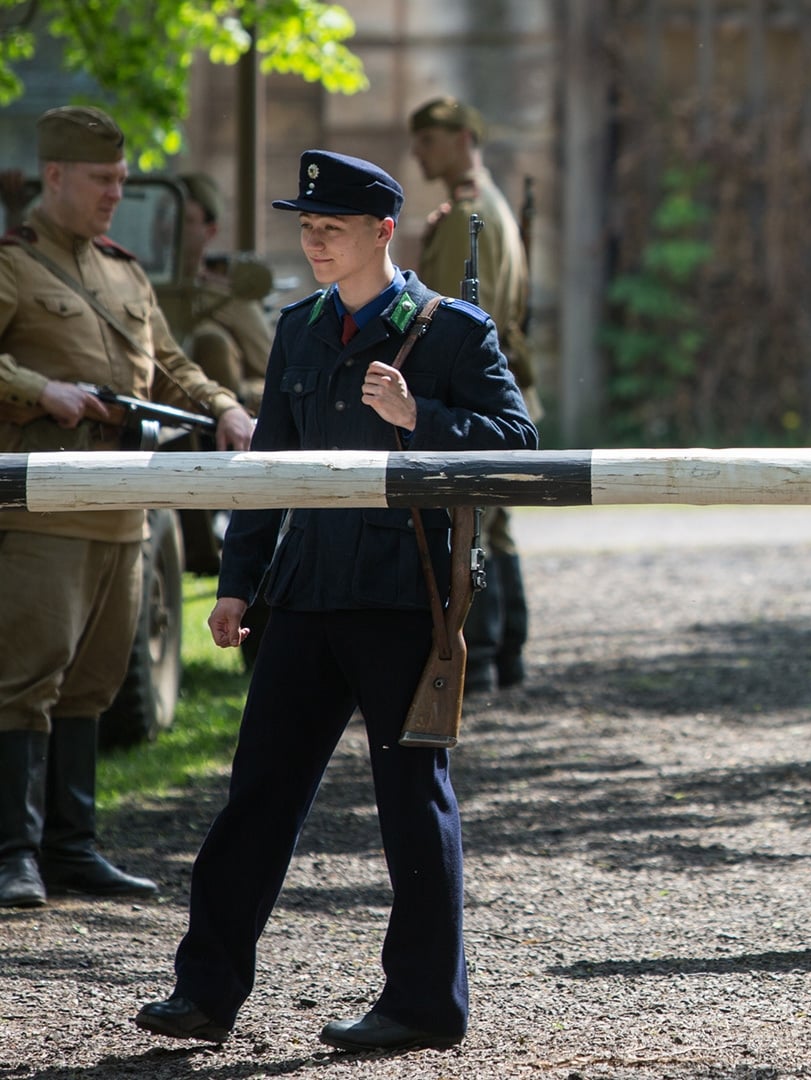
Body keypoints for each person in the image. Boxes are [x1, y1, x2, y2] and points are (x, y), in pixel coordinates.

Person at [134, 150, 536, 1051]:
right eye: (308, 228)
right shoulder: (300, 329)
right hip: (306, 595)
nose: (314, 243)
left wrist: (421, 419)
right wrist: (238, 581)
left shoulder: (453, 331)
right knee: (257, 796)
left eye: (333, 229)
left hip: (402, 599)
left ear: (383, 231)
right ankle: (205, 993)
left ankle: (424, 1005)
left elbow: (520, 444)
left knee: (411, 802)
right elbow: (269, 468)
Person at [0, 107, 253, 910]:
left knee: (95, 682)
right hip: (44, 509)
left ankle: (72, 848)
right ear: (55, 177)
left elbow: (170, 363)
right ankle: (13, 854)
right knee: (25, 679)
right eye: (102, 180)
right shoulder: (13, 265)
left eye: (120, 179)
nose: (116, 193)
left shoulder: (124, 273)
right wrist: (38, 389)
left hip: (124, 508)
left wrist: (224, 407)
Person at [409, 95, 536, 692]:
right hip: (496, 382)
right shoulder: (486, 204)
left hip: (472, 389)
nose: (418, 153)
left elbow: (444, 317)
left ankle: (479, 658)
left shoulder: (468, 215)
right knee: (493, 523)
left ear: (463, 138)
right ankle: (504, 653)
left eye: (429, 140)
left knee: (469, 522)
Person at [171, 173, 274, 411]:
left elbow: (271, 378)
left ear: (210, 231)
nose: (169, 225)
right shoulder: (132, 283)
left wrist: (235, 397)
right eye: (164, 214)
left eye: (186, 219)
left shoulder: (230, 298)